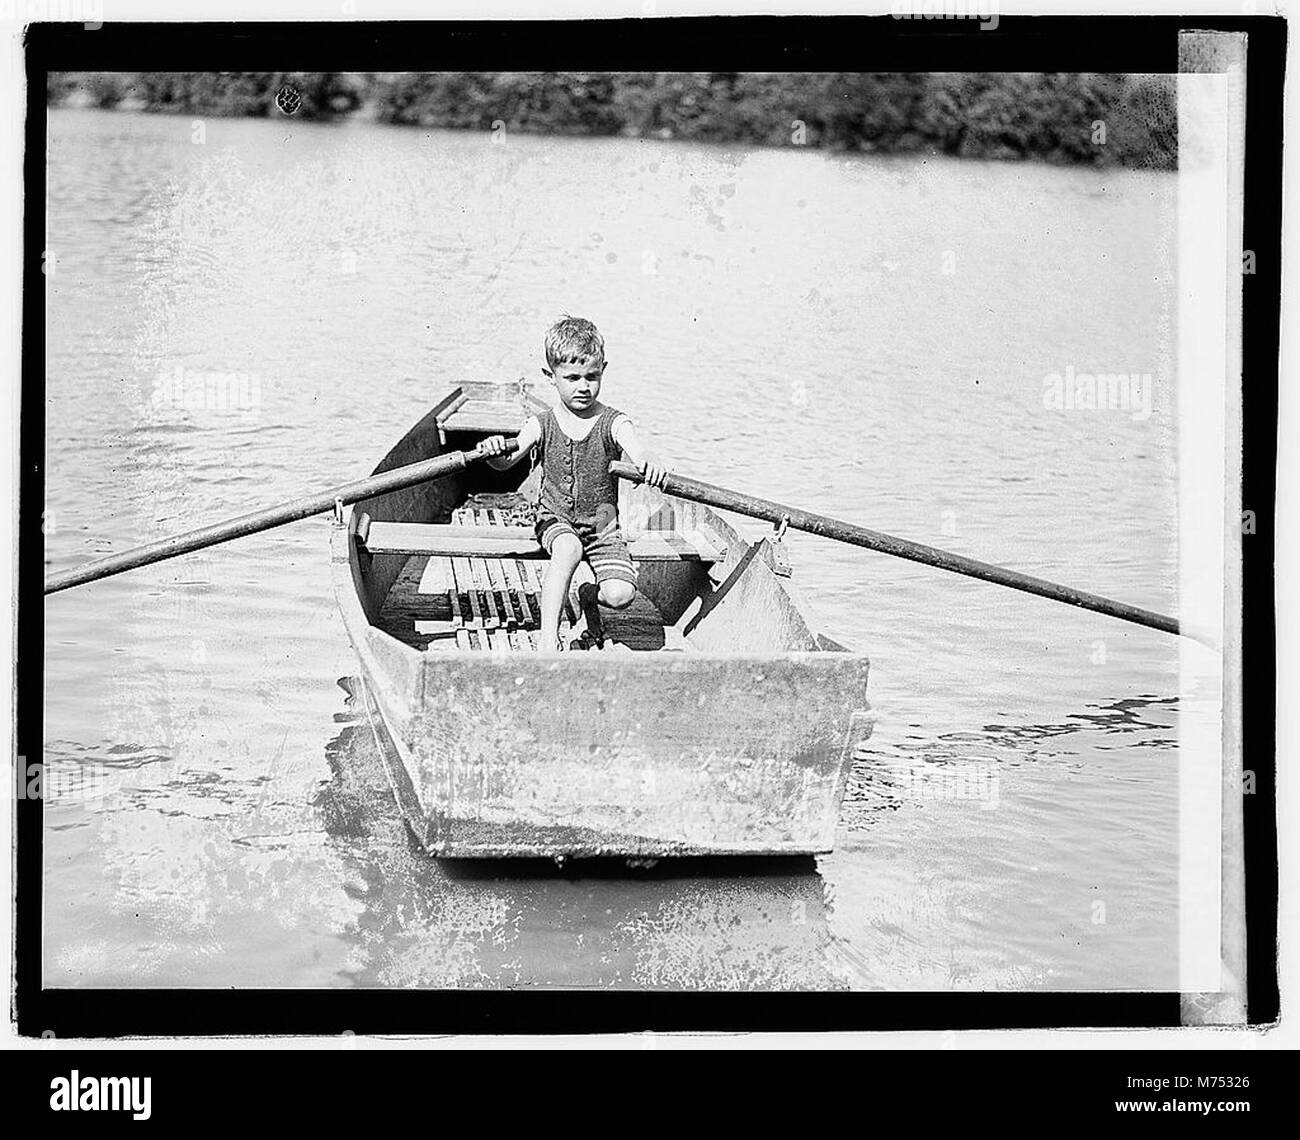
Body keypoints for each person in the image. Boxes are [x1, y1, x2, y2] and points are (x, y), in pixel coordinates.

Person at [481, 316, 667, 651]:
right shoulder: (540, 424)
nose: (583, 386)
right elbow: (505, 463)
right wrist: (492, 451)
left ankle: (587, 596)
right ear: (550, 377)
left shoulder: (614, 421)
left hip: (602, 528)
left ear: (603, 371)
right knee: (568, 548)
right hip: (554, 520)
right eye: (572, 378)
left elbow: (639, 449)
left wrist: (648, 461)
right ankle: (548, 640)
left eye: (591, 377)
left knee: (621, 595)